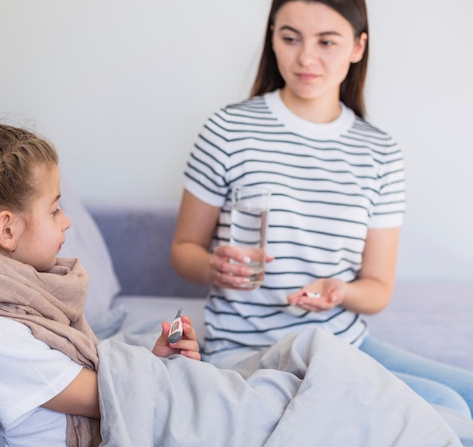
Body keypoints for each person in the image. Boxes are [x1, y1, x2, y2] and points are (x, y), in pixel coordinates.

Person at [171, 0, 473, 418]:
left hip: (344, 343)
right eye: (290, 38)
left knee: (467, 395)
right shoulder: (228, 130)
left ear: (357, 47)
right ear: (272, 38)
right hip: (248, 349)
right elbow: (184, 249)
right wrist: (212, 267)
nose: (306, 58)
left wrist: (342, 292)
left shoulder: (379, 152)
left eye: (327, 41)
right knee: (446, 407)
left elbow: (378, 288)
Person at [0, 123, 201, 447]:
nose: (66, 220)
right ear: (7, 231)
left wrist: (158, 361)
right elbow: (111, 397)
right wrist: (166, 372)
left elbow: (118, 390)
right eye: (54, 210)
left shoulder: (21, 306)